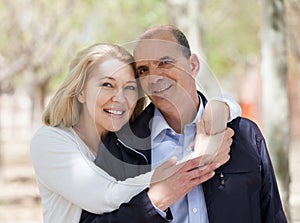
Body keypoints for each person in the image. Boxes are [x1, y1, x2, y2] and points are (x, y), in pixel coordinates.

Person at [81, 25, 287, 223]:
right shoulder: (119, 148)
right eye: (143, 70)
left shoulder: (245, 135)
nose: (154, 78)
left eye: (165, 63)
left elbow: (272, 214)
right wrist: (155, 202)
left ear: (193, 65)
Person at [30, 43, 235, 223]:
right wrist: (198, 157)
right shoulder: (51, 141)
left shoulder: (120, 145)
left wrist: (224, 106)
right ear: (81, 91)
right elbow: (107, 197)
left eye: (129, 88)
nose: (120, 98)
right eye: (107, 85)